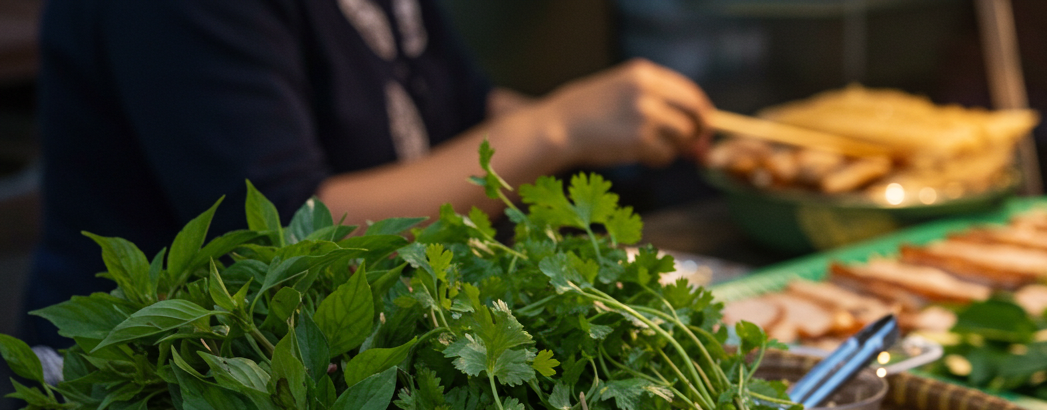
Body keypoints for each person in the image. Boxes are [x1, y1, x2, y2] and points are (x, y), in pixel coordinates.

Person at [24, 0, 713, 349]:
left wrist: (618, 125)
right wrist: (559, 127)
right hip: (177, 397)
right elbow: (295, 232)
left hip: (352, 356)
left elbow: (458, 118)